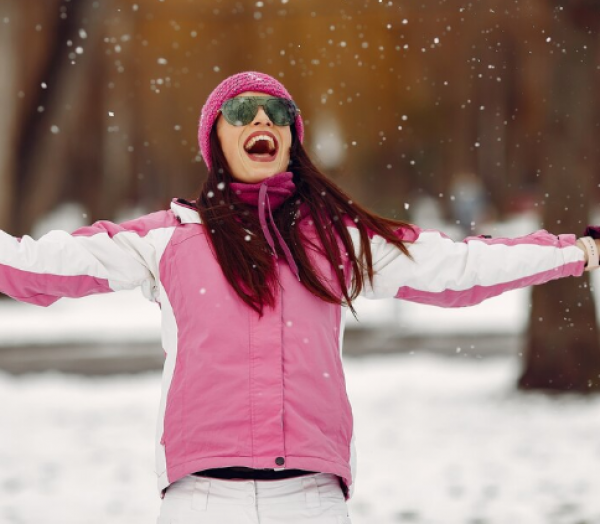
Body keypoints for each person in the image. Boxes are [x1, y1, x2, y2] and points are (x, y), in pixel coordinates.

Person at [1, 71, 599, 524]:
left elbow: (460, 268)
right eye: (241, 110)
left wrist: (577, 250)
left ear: (290, 137)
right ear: (217, 140)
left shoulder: (338, 241)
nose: (261, 118)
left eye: (277, 111)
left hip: (310, 497)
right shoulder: (169, 240)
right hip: (202, 498)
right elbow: (36, 267)